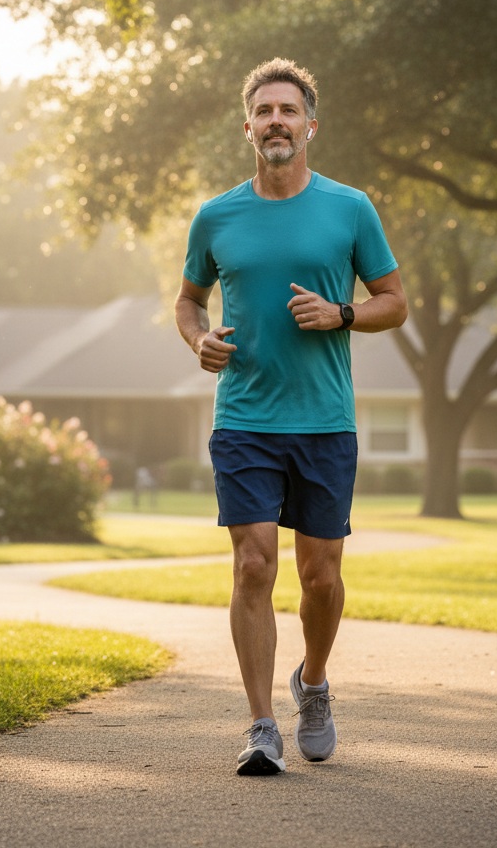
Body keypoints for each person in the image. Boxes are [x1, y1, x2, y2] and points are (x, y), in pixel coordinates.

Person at [175, 57, 408, 776]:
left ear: (311, 124)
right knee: (252, 565)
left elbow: (394, 300)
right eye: (264, 111)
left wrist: (341, 313)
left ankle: (311, 683)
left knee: (320, 578)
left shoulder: (350, 208)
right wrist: (200, 339)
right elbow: (187, 302)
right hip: (244, 416)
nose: (277, 121)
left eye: (289, 110)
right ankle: (259, 726)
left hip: (324, 421)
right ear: (248, 127)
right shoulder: (217, 215)